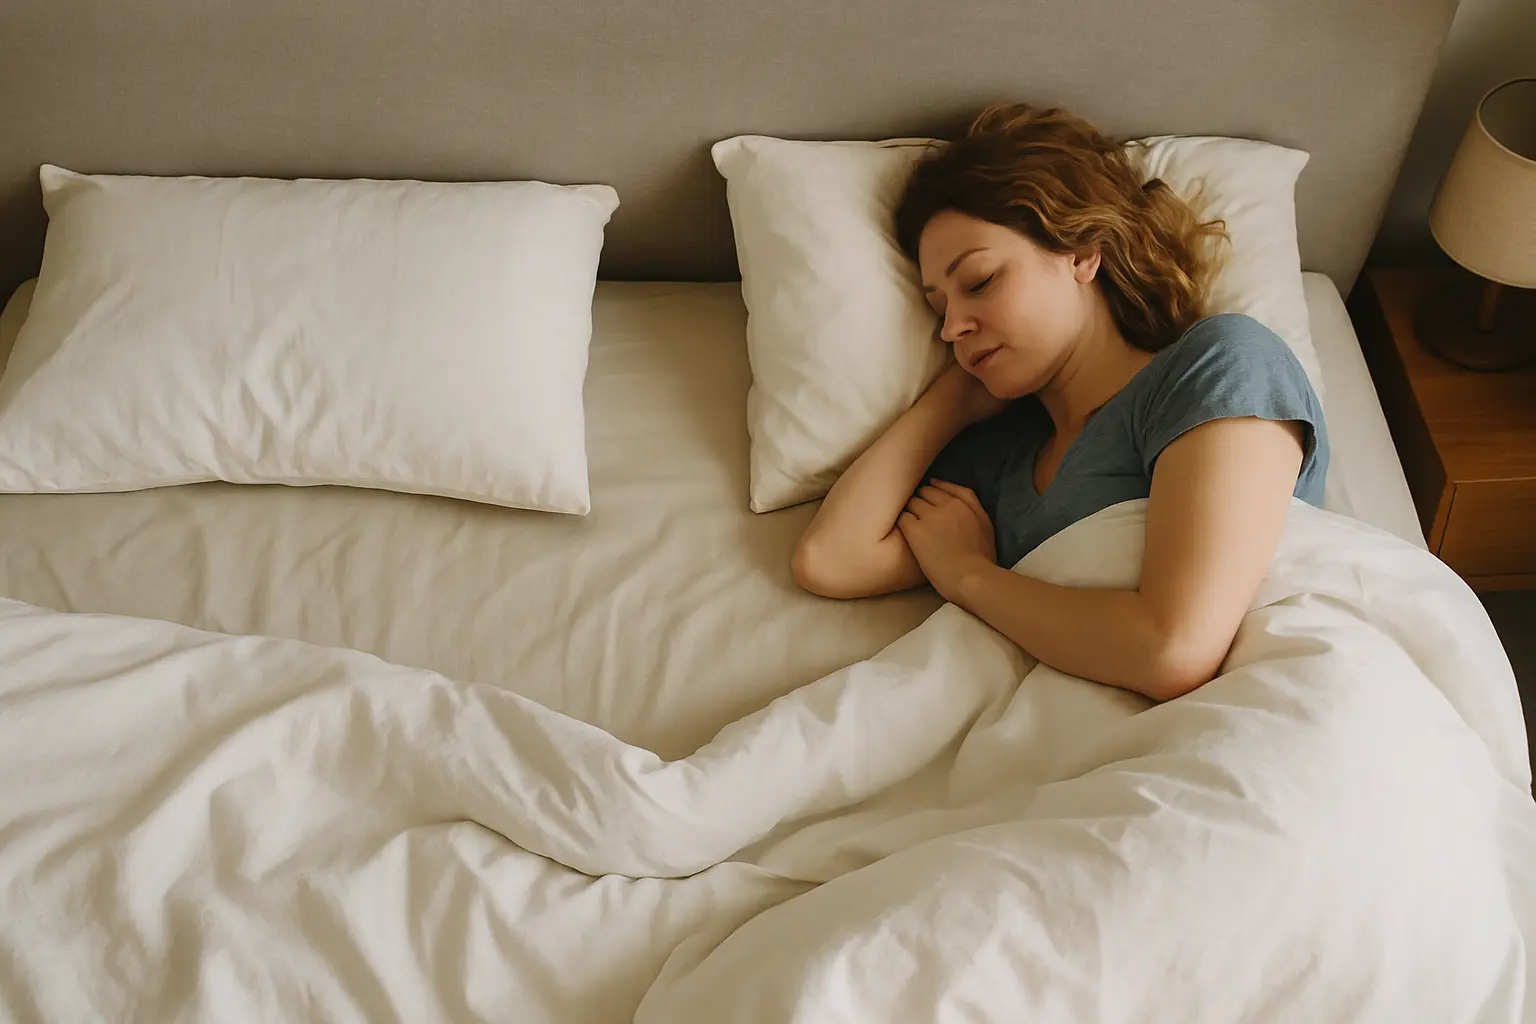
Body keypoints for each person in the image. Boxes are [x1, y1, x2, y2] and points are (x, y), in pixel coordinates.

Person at [791, 104, 1329, 703]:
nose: (950, 329)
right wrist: (949, 401)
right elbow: (829, 559)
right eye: (938, 308)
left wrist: (971, 576)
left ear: (1081, 254)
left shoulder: (1220, 364)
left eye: (979, 282)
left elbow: (1173, 650)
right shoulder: (1004, 460)